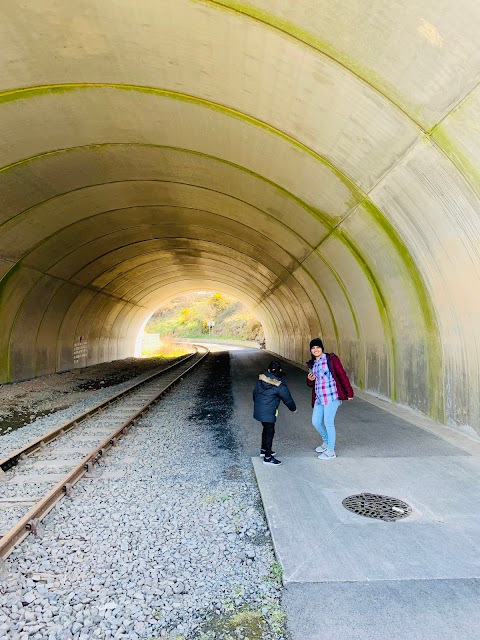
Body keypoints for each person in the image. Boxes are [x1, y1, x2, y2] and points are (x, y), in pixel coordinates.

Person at [306, 338, 353, 459]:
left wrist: (349, 393)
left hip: (332, 396)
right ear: (311, 350)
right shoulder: (313, 364)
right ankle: (326, 442)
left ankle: (331, 451)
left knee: (328, 422)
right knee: (315, 422)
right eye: (313, 348)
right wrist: (310, 380)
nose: (316, 350)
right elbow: (312, 383)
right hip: (320, 398)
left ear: (322, 348)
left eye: (318, 347)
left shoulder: (331, 359)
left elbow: (342, 375)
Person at [253, 360, 297, 465]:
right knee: (270, 431)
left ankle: (263, 450)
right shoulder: (280, 385)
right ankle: (268, 457)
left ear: (269, 370)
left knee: (266, 428)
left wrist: (258, 405)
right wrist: (293, 409)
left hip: (259, 408)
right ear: (280, 371)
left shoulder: (261, 380)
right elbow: (288, 399)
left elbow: (254, 393)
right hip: (268, 411)